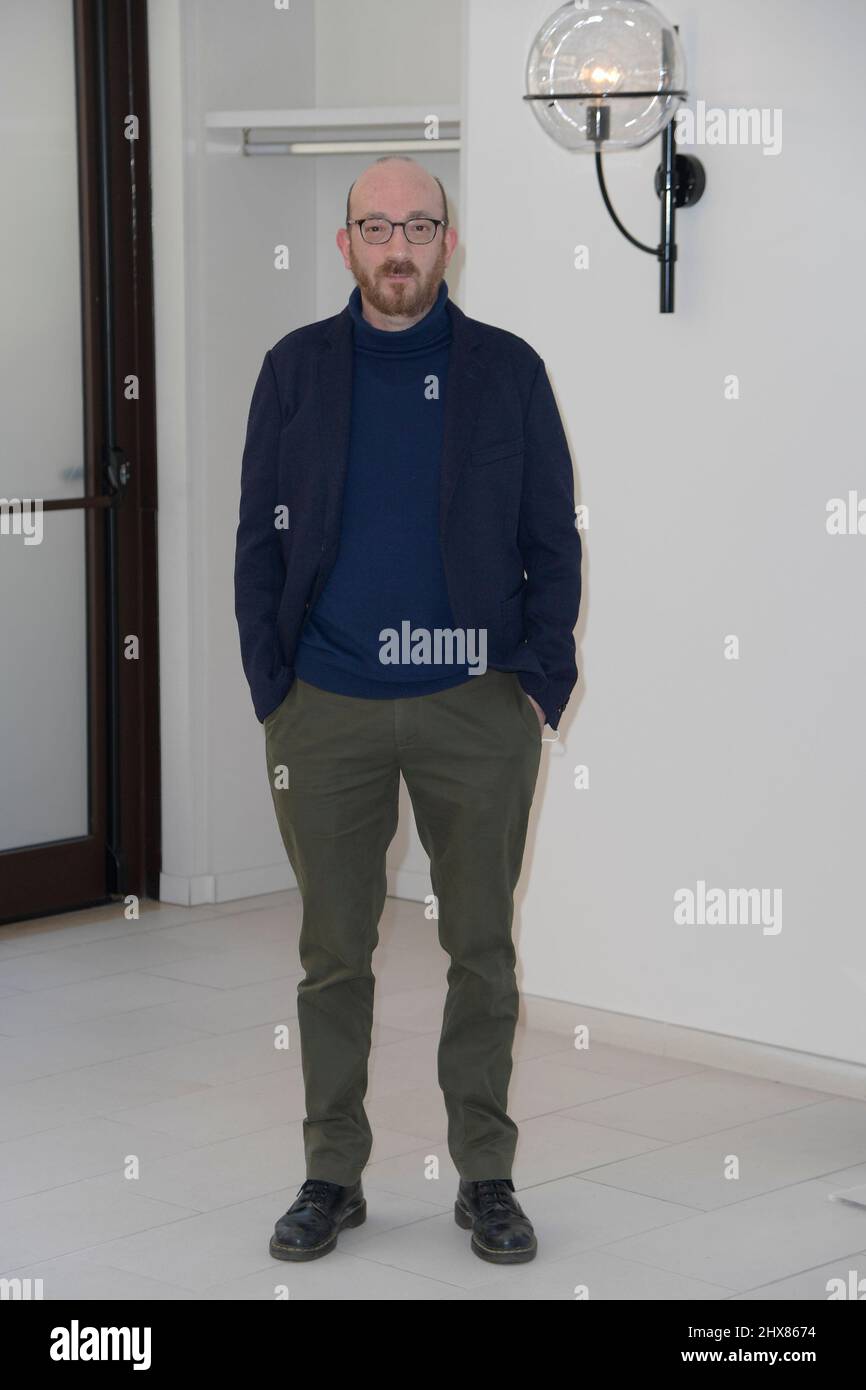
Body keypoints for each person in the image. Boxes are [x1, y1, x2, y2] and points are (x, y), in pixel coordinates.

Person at [234, 155, 582, 1265]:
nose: (397, 247)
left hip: (471, 705)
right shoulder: (292, 370)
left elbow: (549, 538)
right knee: (332, 954)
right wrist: (271, 693)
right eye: (375, 227)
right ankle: (330, 1173)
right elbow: (257, 541)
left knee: (481, 947)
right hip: (325, 707)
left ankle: (484, 1176)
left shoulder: (505, 371)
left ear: (449, 241)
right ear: (344, 245)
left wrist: (535, 678)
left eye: (418, 226)